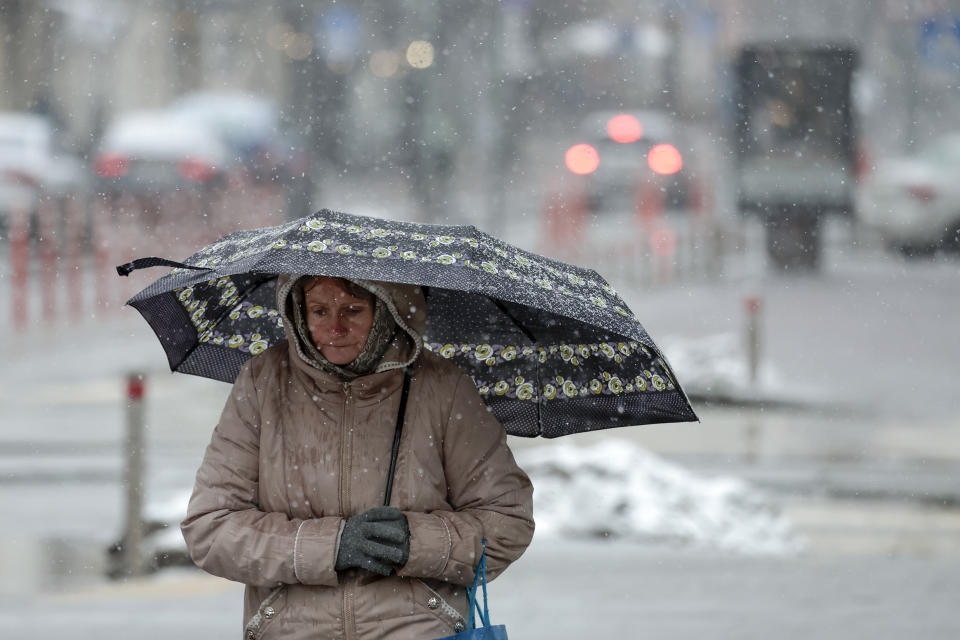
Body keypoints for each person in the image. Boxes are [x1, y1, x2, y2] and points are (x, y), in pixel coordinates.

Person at [181, 274, 535, 639]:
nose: (335, 327)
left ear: (387, 311)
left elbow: (507, 522)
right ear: (298, 312)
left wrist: (415, 542)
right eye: (319, 311)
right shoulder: (262, 382)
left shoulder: (442, 387)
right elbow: (211, 528)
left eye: (353, 310)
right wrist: (330, 546)